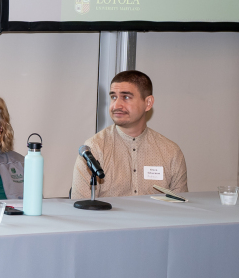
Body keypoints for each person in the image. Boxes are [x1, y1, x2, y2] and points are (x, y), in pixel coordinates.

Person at [72, 70, 187, 199]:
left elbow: (181, 208)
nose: (116, 105)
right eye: (113, 97)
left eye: (126, 97)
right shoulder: (93, 150)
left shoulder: (170, 152)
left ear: (148, 103)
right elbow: (81, 211)